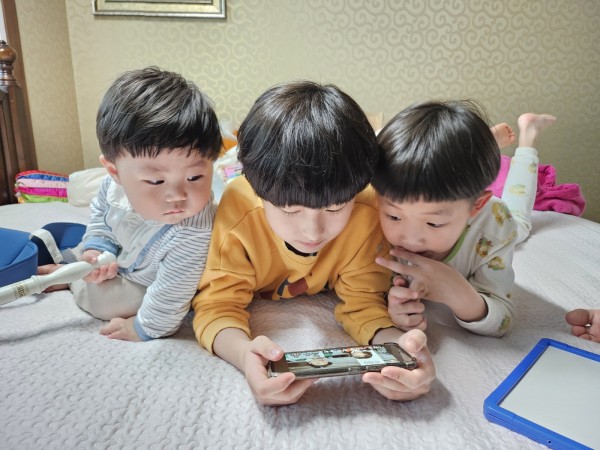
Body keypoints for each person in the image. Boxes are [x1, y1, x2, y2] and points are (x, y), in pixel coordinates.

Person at [192, 81, 435, 406]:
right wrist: (245, 354)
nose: (312, 231)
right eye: (290, 210)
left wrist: (400, 348)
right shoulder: (240, 210)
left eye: (335, 208)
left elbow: (364, 303)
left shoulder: (365, 210)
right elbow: (217, 305)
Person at [37, 66, 222, 342]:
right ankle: (75, 267)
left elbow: (171, 296)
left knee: (105, 301)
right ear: (115, 172)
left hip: (157, 280)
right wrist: (97, 249)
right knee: (86, 254)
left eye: (195, 177)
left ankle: (70, 279)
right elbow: (102, 218)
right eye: (156, 181)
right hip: (126, 254)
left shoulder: (194, 231)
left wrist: (141, 328)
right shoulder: (112, 188)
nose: (177, 195)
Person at [372, 100, 555, 336]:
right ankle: (485, 145)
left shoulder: (495, 228)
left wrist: (459, 293)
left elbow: (502, 318)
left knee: (520, 222)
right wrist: (393, 307)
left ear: (476, 206)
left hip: (493, 218)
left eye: (433, 223)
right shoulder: (372, 209)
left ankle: (528, 137)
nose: (411, 238)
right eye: (394, 216)